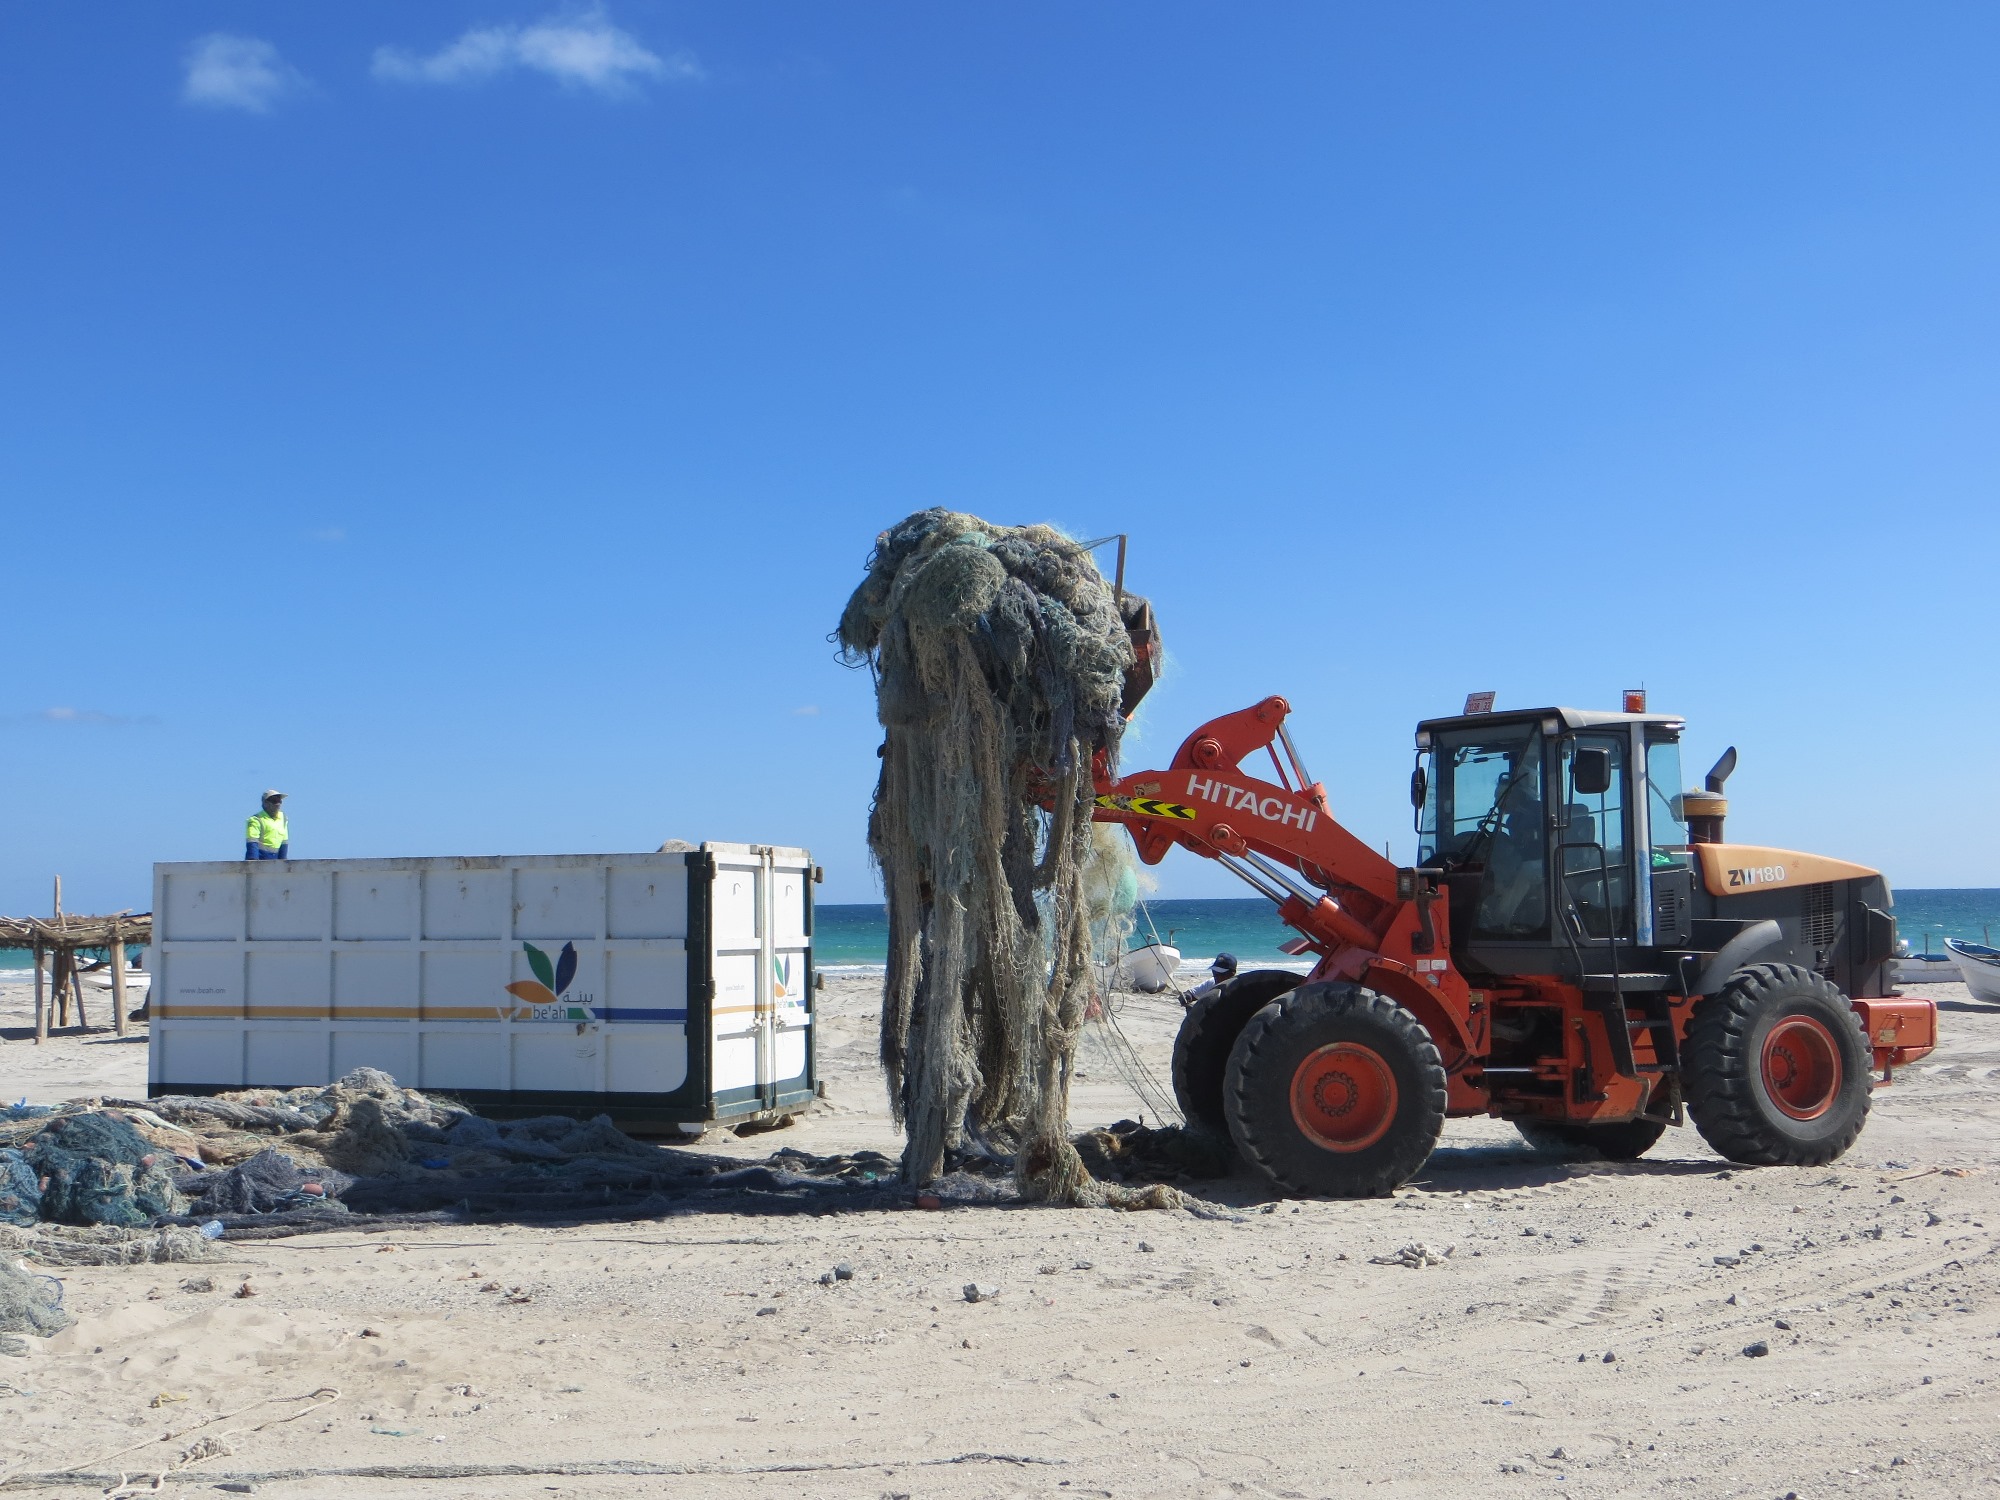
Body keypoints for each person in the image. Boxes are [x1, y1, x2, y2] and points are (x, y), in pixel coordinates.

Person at [245, 790, 290, 860]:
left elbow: (284, 842)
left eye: (280, 801)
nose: (278, 804)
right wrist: (253, 862)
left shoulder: (283, 818)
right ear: (265, 803)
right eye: (274, 801)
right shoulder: (256, 819)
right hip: (261, 858)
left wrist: (283, 862)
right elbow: (252, 842)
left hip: (276, 859)